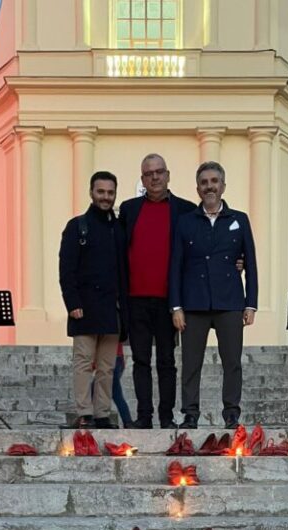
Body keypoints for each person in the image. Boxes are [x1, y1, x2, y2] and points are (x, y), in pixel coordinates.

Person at [169, 161, 258, 429]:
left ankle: (231, 413)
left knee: (232, 362)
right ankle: (190, 414)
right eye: (204, 182)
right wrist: (176, 306)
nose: (209, 186)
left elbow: (250, 262)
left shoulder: (239, 219)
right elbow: (176, 265)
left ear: (223, 186)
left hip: (230, 302)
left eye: (214, 181)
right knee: (190, 364)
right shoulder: (185, 222)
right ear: (198, 188)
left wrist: (251, 303)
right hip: (193, 304)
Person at [118, 154, 195, 429]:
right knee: (140, 361)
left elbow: (204, 240)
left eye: (159, 172)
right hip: (135, 300)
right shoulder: (128, 209)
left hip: (169, 302)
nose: (154, 177)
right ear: (142, 179)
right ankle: (144, 417)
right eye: (148, 173)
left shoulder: (186, 209)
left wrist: (238, 259)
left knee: (166, 361)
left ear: (168, 175)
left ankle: (166, 417)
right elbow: (117, 250)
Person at [59, 171, 128, 428]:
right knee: (83, 363)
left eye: (110, 193)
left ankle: (102, 413)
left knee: (107, 367)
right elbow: (67, 269)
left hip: (112, 310)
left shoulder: (119, 228)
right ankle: (84, 413)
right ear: (91, 192)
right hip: (84, 309)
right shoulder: (77, 226)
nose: (106, 197)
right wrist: (72, 303)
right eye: (101, 192)